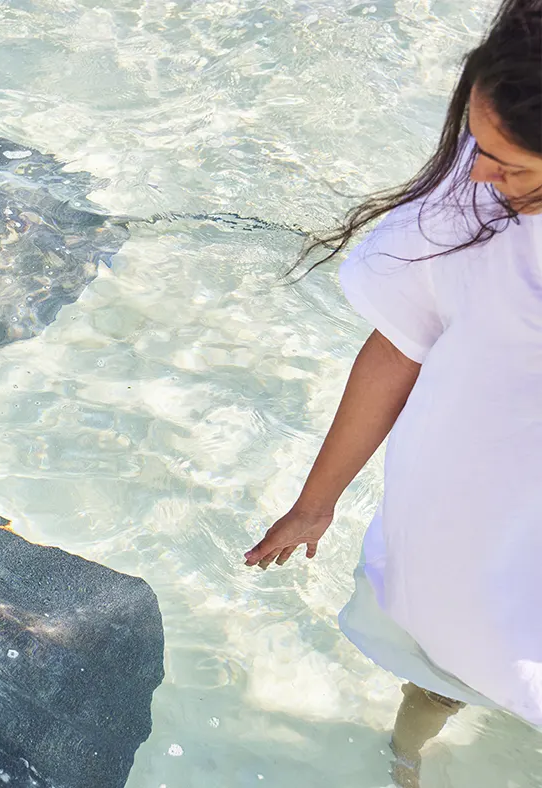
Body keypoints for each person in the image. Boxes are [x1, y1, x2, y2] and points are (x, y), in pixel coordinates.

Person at [243, 1, 542, 785]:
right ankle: (404, 763)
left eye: (512, 165)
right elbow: (397, 348)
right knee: (446, 660)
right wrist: (317, 500)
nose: (479, 172)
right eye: (477, 139)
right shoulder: (477, 207)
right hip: (473, 515)